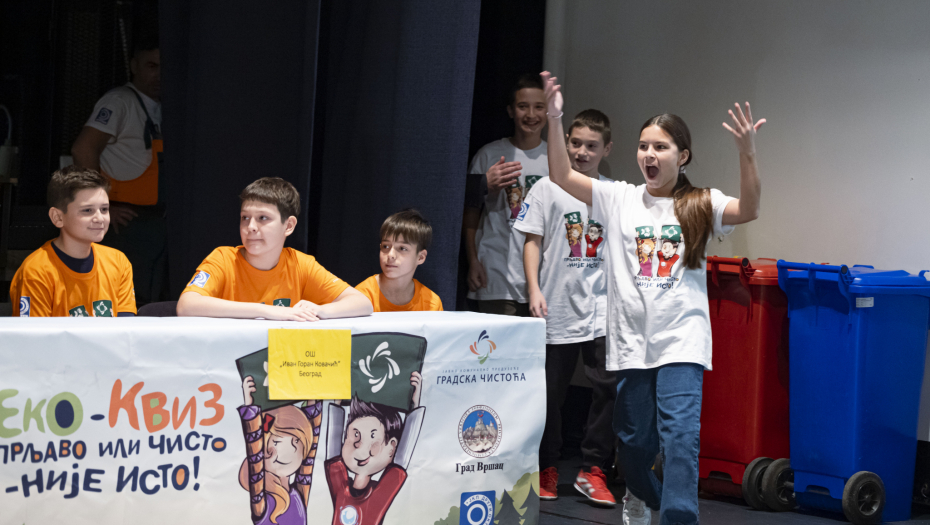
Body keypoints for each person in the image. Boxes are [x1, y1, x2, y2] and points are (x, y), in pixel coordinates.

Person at [540, 71, 764, 525]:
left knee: (680, 437)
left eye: (660, 147)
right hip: (631, 342)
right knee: (634, 440)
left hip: (682, 339)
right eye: (644, 146)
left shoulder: (700, 202)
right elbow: (561, 174)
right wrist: (555, 118)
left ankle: (679, 517)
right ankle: (642, 493)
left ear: (683, 156)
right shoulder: (618, 198)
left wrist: (747, 152)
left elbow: (749, 208)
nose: (649, 154)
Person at [513, 109, 619, 506]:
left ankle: (594, 468)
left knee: (608, 389)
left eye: (592, 145)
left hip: (602, 309)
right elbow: (532, 241)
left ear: (606, 149)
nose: (581, 152)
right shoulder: (546, 188)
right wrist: (534, 289)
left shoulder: (613, 193)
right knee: (549, 393)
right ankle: (547, 465)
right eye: (575, 143)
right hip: (555, 305)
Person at [176, 177, 372, 321]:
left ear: (289, 226)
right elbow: (186, 305)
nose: (251, 226)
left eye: (263, 218)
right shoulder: (222, 258)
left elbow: (362, 303)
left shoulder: (301, 264)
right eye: (245, 218)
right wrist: (266, 311)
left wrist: (321, 310)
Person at [71, 32, 166, 306]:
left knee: (151, 297)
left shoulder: (163, 106)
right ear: (134, 65)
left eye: (164, 67)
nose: (158, 75)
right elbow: (83, 149)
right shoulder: (120, 101)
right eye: (151, 66)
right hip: (125, 220)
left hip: (155, 220)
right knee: (124, 297)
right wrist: (102, 207)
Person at [462, 73, 549, 315]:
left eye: (538, 107)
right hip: (495, 278)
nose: (531, 114)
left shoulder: (555, 159)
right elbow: (470, 213)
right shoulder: (489, 154)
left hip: (545, 282)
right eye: (523, 106)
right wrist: (472, 261)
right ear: (511, 111)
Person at [10, 166, 135, 317]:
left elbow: (126, 327)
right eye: (87, 210)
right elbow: (33, 332)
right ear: (57, 217)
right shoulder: (36, 272)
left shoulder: (119, 262)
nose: (100, 218)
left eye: (104, 209)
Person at [238, 377, 322, 525]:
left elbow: (310, 453)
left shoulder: (298, 494)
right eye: (277, 442)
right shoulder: (262, 501)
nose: (292, 448)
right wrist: (250, 406)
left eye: (297, 441)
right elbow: (254, 453)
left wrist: (312, 401)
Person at [355, 209, 443, 312]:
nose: (390, 255)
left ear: (420, 257)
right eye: (385, 246)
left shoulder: (432, 304)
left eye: (402, 248)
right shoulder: (361, 297)